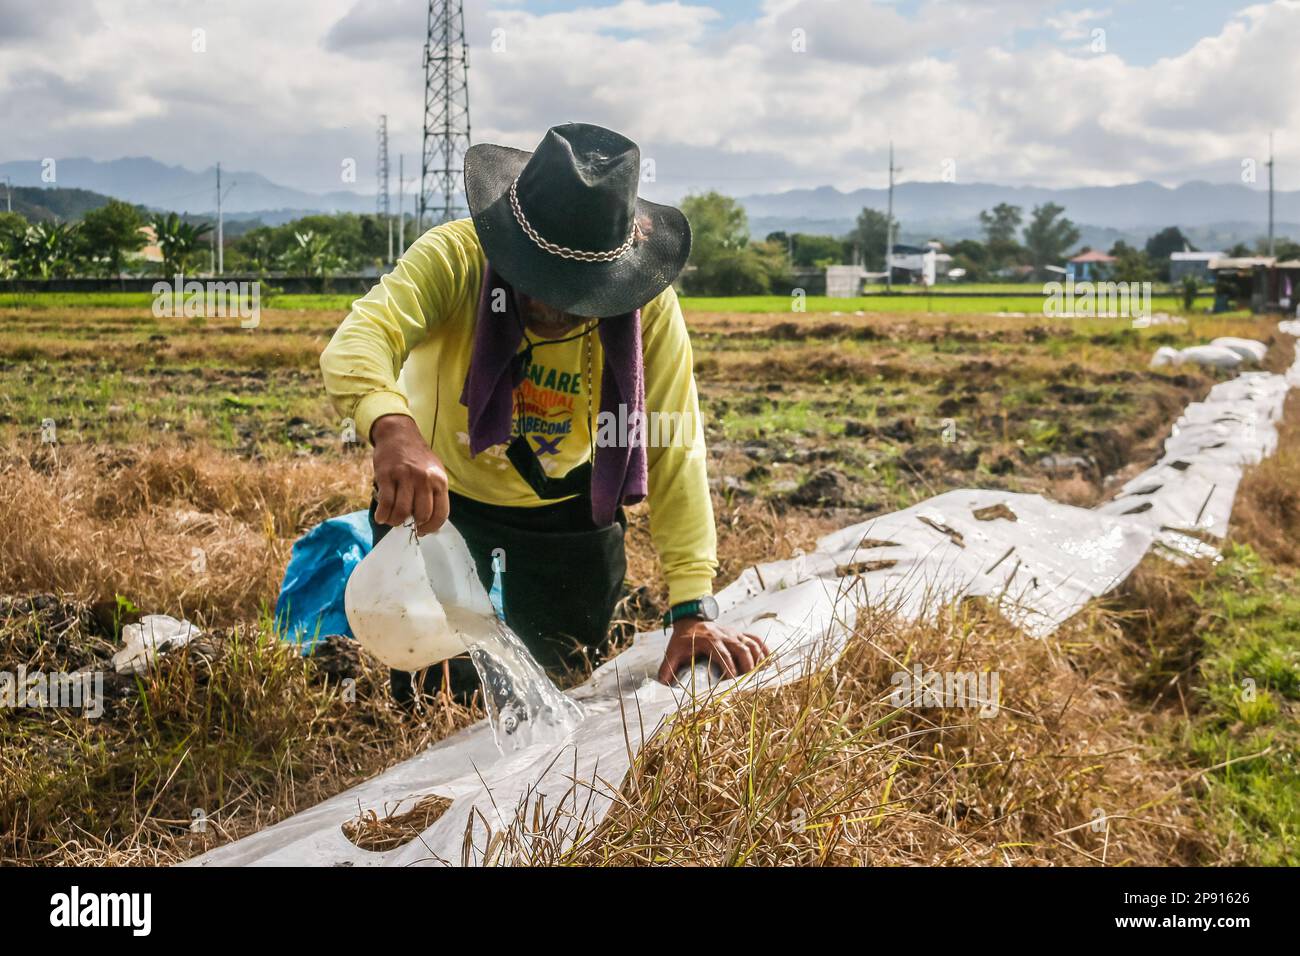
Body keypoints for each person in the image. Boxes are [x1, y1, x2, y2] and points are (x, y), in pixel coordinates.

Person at [320, 122, 767, 702]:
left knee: (564, 684)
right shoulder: (453, 259)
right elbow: (358, 342)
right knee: (431, 690)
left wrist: (691, 606)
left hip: (568, 510)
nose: (557, 308)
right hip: (443, 502)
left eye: (582, 294)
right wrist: (393, 427)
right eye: (543, 283)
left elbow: (674, 444)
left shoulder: (647, 308)